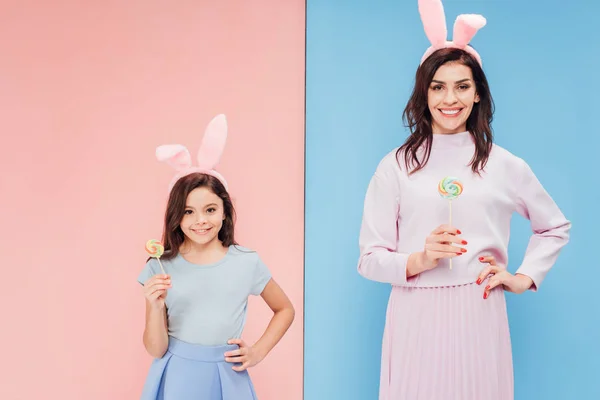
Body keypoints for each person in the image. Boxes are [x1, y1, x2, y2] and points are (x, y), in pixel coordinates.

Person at [357, 1, 571, 399]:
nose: (449, 98)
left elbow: (554, 227)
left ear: (477, 94)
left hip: (479, 310)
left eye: (462, 86)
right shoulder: (397, 166)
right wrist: (420, 259)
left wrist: (523, 277)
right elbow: (369, 259)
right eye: (437, 86)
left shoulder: (503, 164)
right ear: (424, 93)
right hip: (414, 315)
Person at [138, 114, 295, 400]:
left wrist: (258, 351)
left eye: (210, 209)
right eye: (189, 211)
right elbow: (155, 348)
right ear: (176, 216)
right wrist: (153, 305)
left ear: (224, 211)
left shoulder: (246, 262)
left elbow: (285, 309)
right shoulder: (160, 267)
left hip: (227, 376)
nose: (201, 221)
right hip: (176, 377)